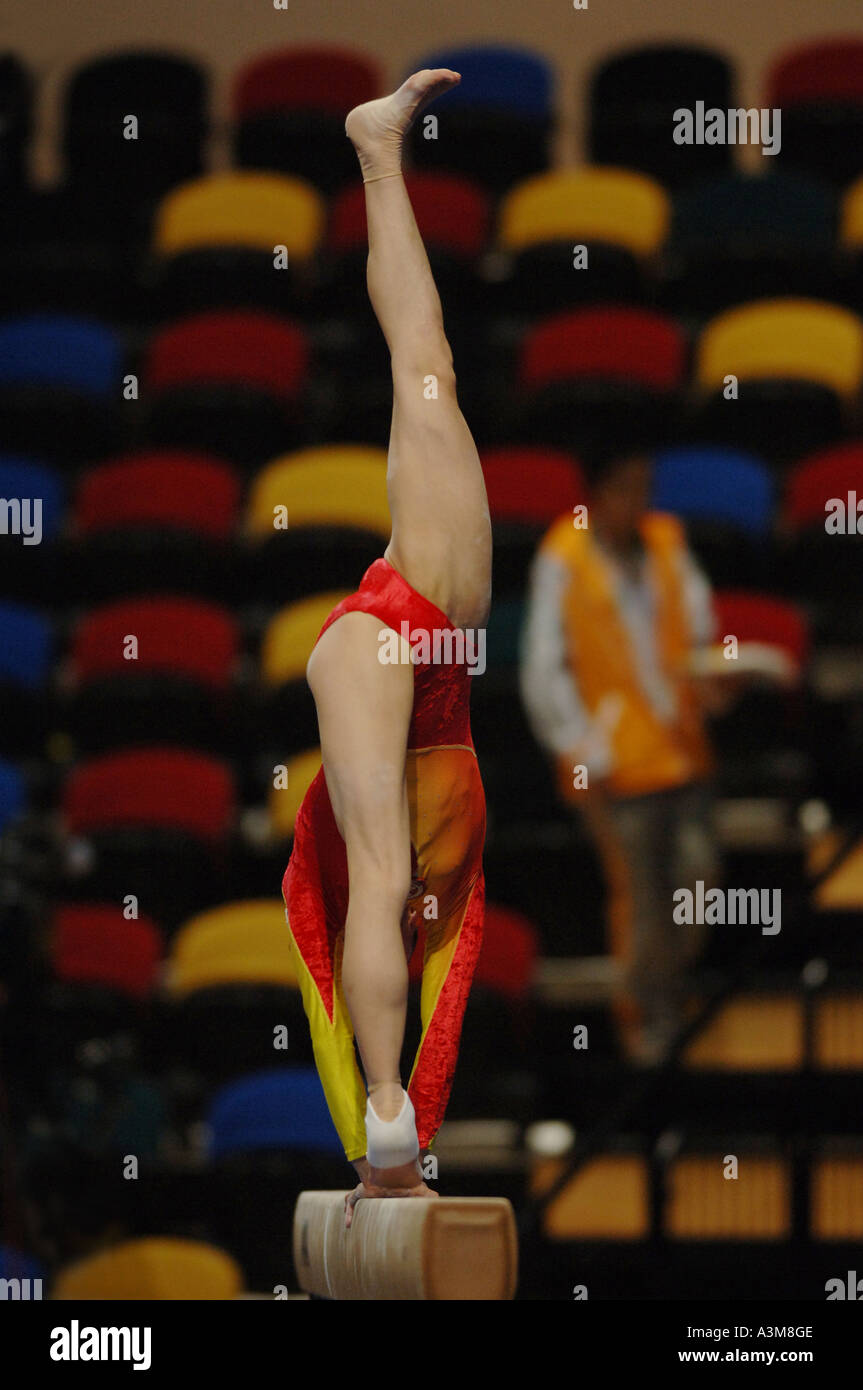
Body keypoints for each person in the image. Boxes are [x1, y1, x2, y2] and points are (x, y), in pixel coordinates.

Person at [281, 70, 492, 1228]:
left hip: (426, 675)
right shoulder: (428, 423)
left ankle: (394, 1123)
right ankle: (385, 1118)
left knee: (414, 901)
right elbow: (409, 326)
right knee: (425, 355)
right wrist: (382, 159)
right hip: (381, 631)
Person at [520, 449, 721, 1064]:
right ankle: (646, 1026)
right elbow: (543, 665)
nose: (638, 504)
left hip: (679, 751)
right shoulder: (563, 555)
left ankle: (666, 989)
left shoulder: (665, 541)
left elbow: (698, 628)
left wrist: (717, 675)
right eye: (626, 490)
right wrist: (581, 746)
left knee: (700, 885)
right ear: (597, 496)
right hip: (613, 765)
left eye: (645, 489)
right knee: (639, 898)